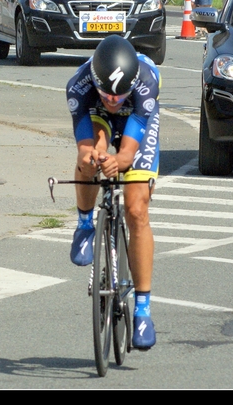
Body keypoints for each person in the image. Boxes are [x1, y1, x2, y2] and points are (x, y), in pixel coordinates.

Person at [66, 35, 161, 349]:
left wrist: (120, 161)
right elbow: (85, 142)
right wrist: (93, 156)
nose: (113, 99)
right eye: (107, 93)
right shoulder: (78, 87)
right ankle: (84, 225)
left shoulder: (146, 82)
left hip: (138, 121)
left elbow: (129, 152)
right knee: (90, 158)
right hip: (97, 121)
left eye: (119, 95)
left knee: (137, 210)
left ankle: (144, 310)